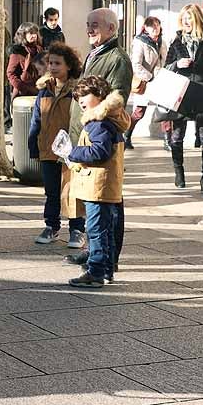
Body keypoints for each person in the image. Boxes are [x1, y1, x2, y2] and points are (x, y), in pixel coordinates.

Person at [64, 7, 132, 265]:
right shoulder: (96, 54)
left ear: (111, 29)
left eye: (95, 25)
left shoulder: (117, 58)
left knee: (108, 202)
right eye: (88, 24)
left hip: (99, 135)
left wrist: (94, 116)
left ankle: (107, 257)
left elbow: (117, 97)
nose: (89, 29)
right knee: (91, 200)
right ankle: (94, 251)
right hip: (84, 134)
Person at [65, 75, 129, 288]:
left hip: (98, 185)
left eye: (85, 95)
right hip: (107, 184)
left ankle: (96, 271)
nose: (81, 100)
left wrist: (73, 152)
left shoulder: (99, 123)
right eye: (78, 97)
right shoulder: (114, 118)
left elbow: (98, 152)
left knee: (96, 230)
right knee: (106, 229)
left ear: (100, 95)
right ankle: (107, 269)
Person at [28, 42, 82, 245]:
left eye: (57, 63)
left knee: (71, 191)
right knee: (51, 191)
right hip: (48, 147)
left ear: (69, 65)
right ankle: (51, 226)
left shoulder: (77, 91)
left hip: (70, 150)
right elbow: (36, 119)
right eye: (50, 63)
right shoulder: (44, 90)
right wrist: (33, 143)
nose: (52, 67)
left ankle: (77, 229)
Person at [164, 4, 203, 192]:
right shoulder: (177, 41)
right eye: (183, 19)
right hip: (181, 94)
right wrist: (178, 63)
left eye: (189, 18)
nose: (186, 22)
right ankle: (179, 172)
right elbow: (166, 67)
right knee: (176, 137)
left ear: (197, 19)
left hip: (202, 92)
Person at [125, 15, 165, 150]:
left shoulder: (161, 42)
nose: (155, 28)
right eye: (151, 26)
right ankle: (126, 136)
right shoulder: (140, 42)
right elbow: (135, 64)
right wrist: (149, 77)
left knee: (166, 110)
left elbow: (164, 61)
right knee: (139, 112)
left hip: (160, 80)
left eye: (157, 25)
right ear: (146, 28)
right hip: (145, 81)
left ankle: (168, 140)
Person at [7, 22, 43, 98]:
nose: (34, 36)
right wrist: (23, 88)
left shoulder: (39, 50)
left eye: (35, 33)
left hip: (38, 91)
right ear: (23, 35)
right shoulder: (18, 51)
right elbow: (10, 74)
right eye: (30, 33)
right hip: (22, 94)